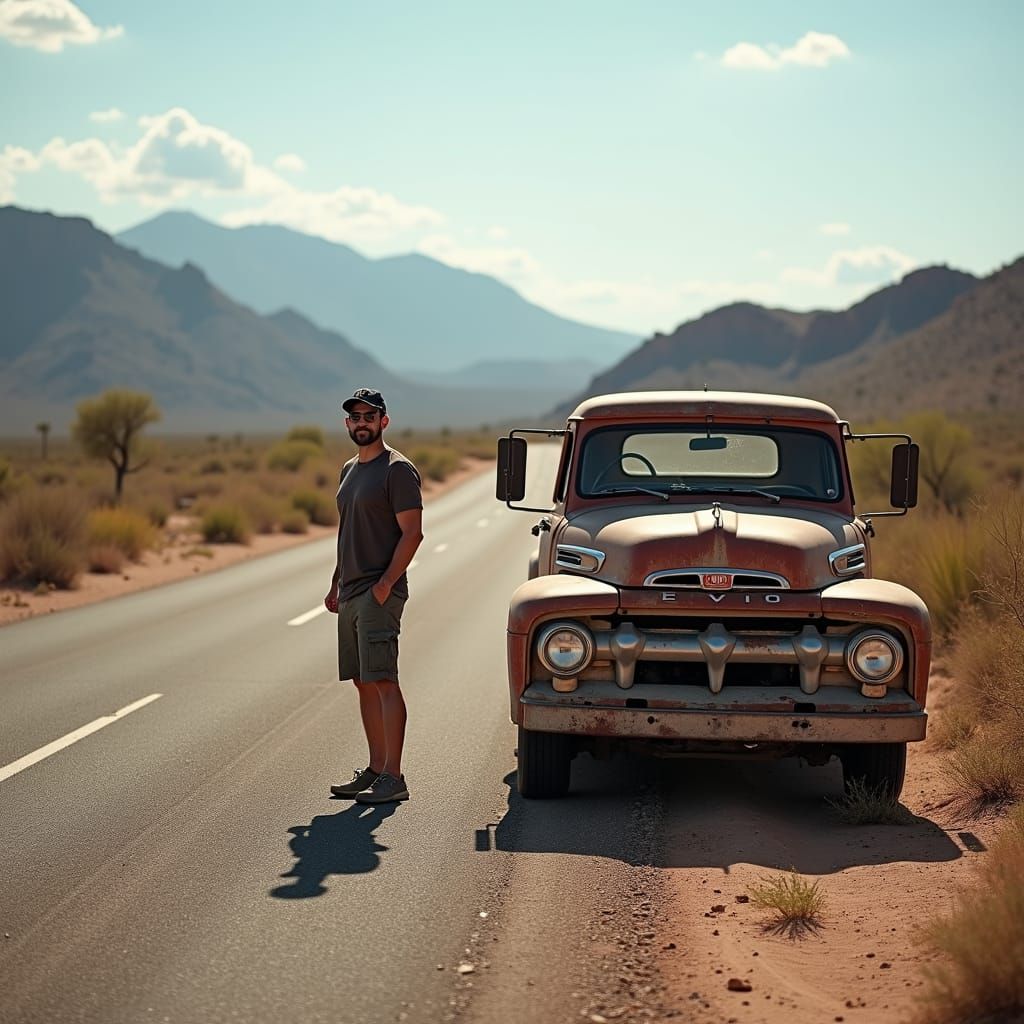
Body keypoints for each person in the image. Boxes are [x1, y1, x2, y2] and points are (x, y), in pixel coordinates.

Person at [324, 388, 423, 804]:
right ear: (347, 424)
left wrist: (384, 585)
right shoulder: (350, 468)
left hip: (377, 593)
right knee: (363, 683)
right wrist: (335, 583)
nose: (361, 422)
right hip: (350, 591)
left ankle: (394, 777)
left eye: (370, 416)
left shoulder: (396, 470)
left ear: (384, 421)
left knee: (384, 681)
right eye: (355, 417)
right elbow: (349, 532)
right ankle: (376, 767)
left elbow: (413, 534)